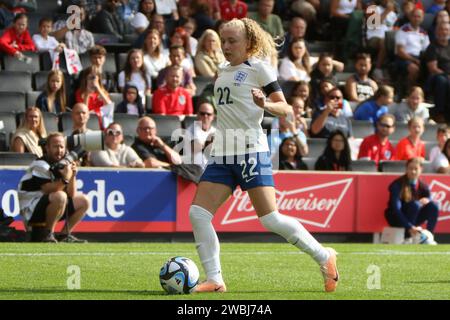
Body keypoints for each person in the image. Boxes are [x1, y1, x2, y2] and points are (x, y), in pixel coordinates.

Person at [189, 18, 339, 293]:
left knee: (269, 218)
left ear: (250, 43)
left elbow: (285, 109)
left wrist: (265, 104)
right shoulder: (222, 70)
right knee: (198, 213)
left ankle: (323, 255)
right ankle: (215, 279)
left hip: (250, 151)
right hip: (223, 152)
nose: (226, 46)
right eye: (224, 41)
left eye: (233, 41)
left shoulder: (259, 69)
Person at [17, 132, 89, 243]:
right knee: (60, 196)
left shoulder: (63, 164)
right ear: (47, 148)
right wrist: (65, 178)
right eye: (55, 146)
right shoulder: (40, 164)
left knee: (84, 201)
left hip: (48, 204)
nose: (59, 150)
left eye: (61, 147)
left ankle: (64, 235)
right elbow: (47, 189)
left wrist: (73, 175)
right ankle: (48, 234)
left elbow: (71, 195)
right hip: (31, 209)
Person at [384, 157, 439, 244]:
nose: (413, 171)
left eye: (416, 169)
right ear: (406, 169)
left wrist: (427, 200)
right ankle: (408, 237)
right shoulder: (397, 185)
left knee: (433, 206)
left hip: (413, 219)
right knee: (415, 205)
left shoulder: (422, 185)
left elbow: (429, 198)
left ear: (421, 169)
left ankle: (429, 236)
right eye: (410, 168)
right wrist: (409, 226)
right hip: (396, 219)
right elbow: (396, 209)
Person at [395, 8, 430, 89]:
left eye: (419, 16)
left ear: (422, 18)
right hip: (404, 58)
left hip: (420, 58)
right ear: (410, 17)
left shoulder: (424, 33)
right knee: (414, 69)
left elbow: (427, 50)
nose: (416, 19)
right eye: (414, 16)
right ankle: (410, 91)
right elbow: (400, 51)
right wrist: (414, 60)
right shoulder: (403, 30)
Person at [424, 21, 450, 123]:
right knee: (442, 81)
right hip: (437, 76)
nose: (444, 32)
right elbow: (433, 68)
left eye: (446, 30)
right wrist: (447, 75)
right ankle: (439, 113)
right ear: (436, 32)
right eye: (441, 29)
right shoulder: (432, 47)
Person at [365, 0, 397, 80]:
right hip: (373, 37)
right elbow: (373, 25)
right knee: (384, 41)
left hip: (388, 40)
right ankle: (378, 69)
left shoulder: (393, 14)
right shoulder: (372, 8)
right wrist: (386, 12)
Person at [184, 101, 216, 169]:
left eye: (209, 114)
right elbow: (196, 148)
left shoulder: (215, 131)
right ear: (197, 114)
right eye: (202, 113)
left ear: (213, 116)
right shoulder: (191, 130)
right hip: (194, 169)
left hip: (211, 168)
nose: (205, 116)